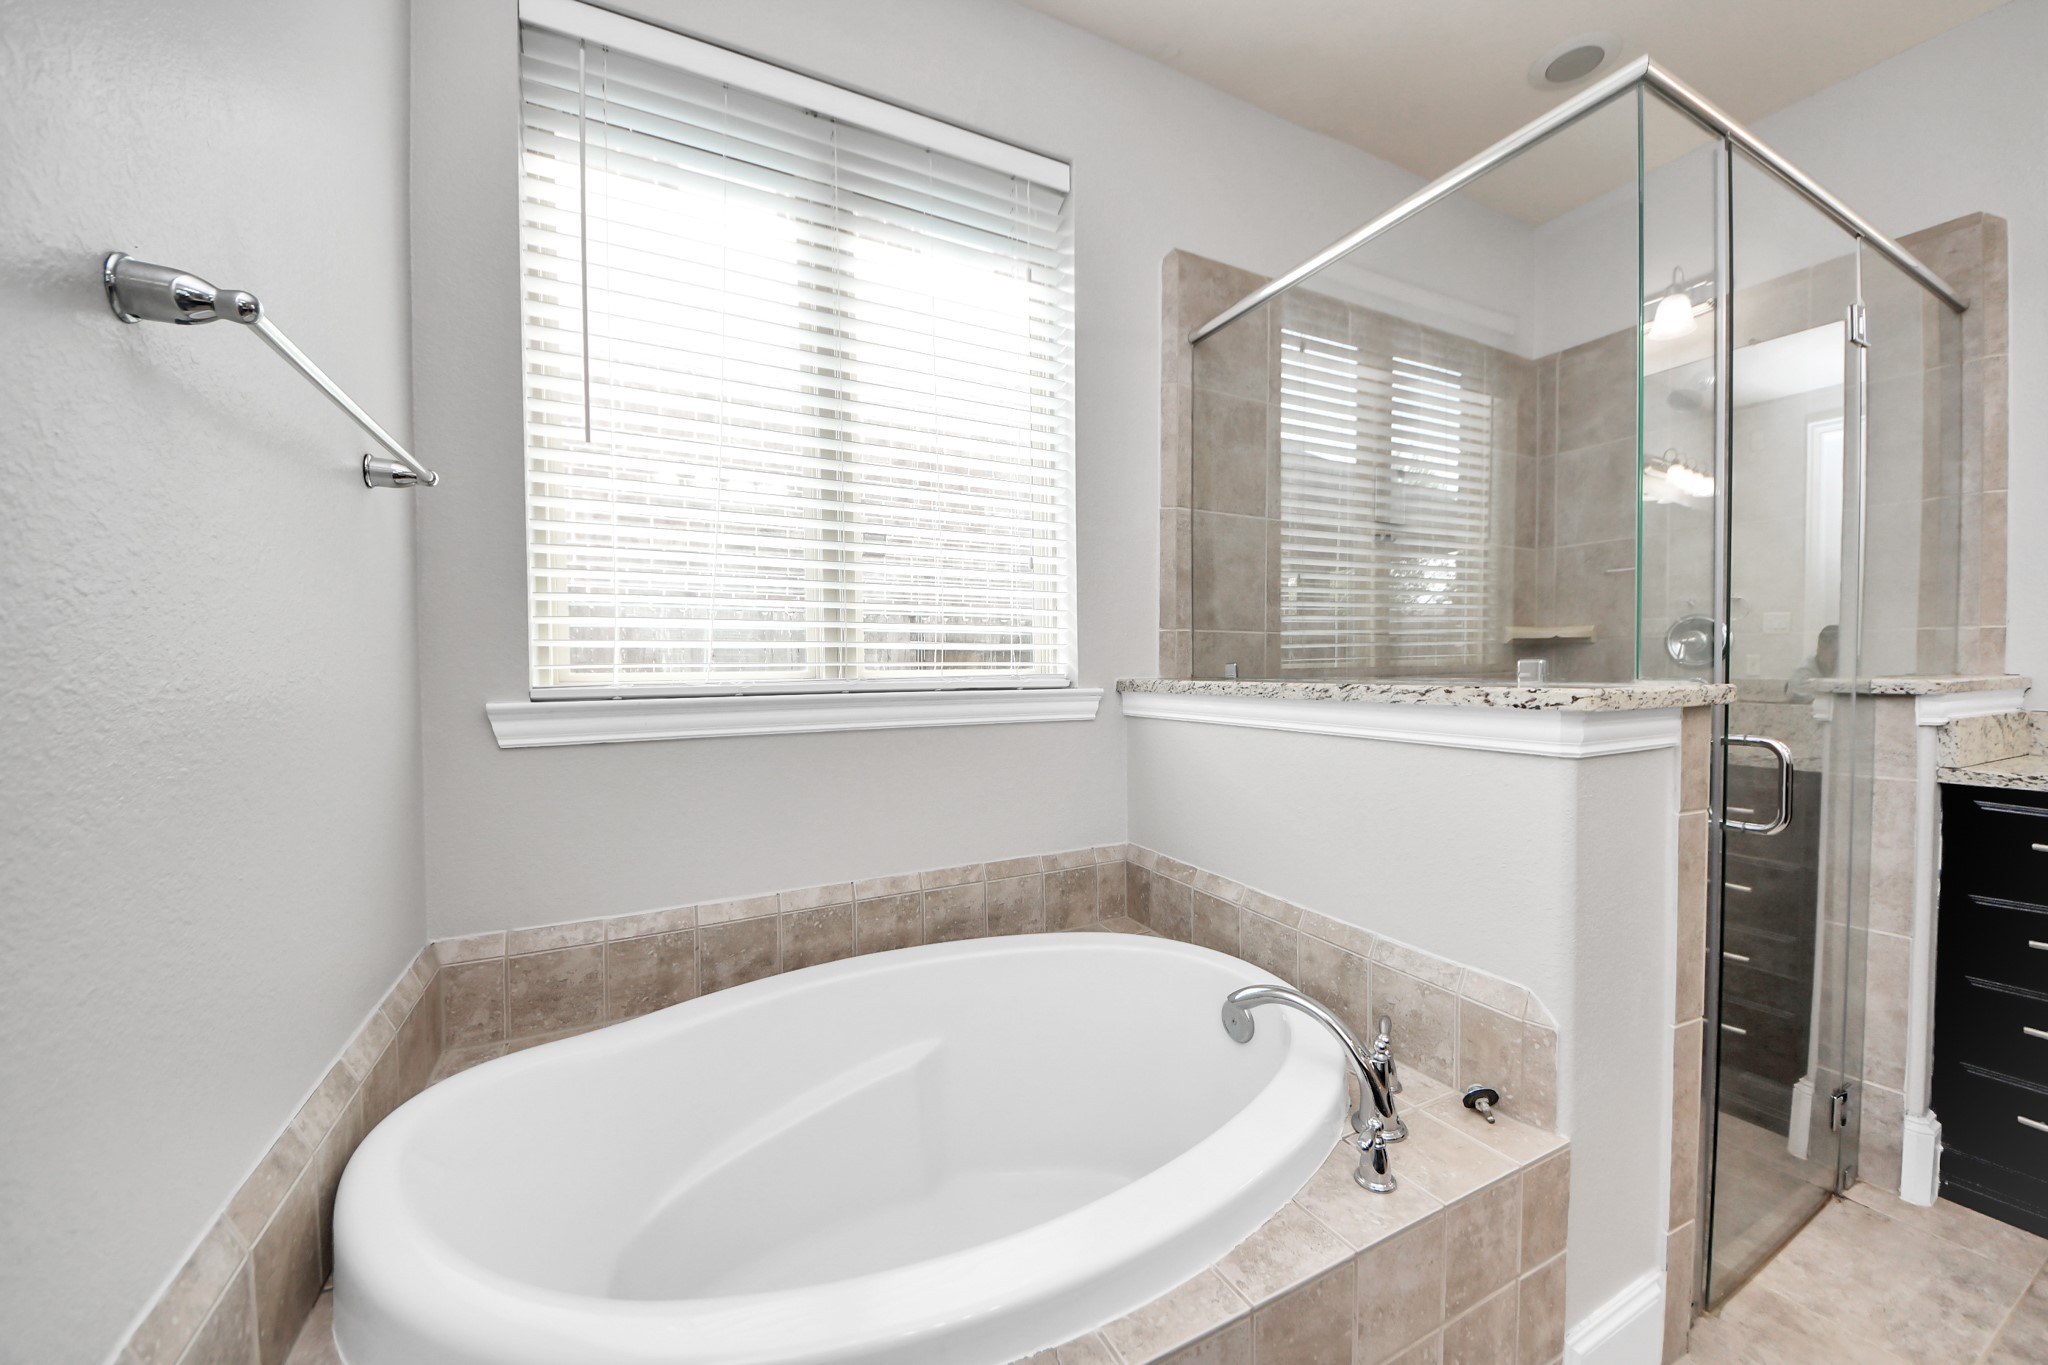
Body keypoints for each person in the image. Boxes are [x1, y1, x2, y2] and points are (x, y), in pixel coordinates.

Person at [1787, 624, 1839, 699]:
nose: (1833, 657)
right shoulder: (1802, 674)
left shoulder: (1849, 666)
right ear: (1819, 648)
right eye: (1834, 653)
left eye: (1836, 654)